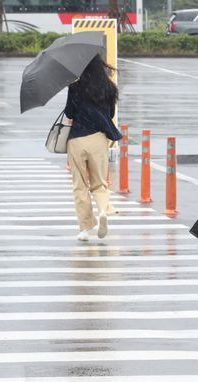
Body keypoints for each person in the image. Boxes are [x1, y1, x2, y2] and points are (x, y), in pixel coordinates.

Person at [64, 55, 122, 242]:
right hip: (98, 139)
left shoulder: (75, 86)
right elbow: (111, 114)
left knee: (80, 185)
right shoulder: (109, 88)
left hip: (78, 139)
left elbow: (69, 112)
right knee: (99, 183)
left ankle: (84, 228)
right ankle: (103, 211)